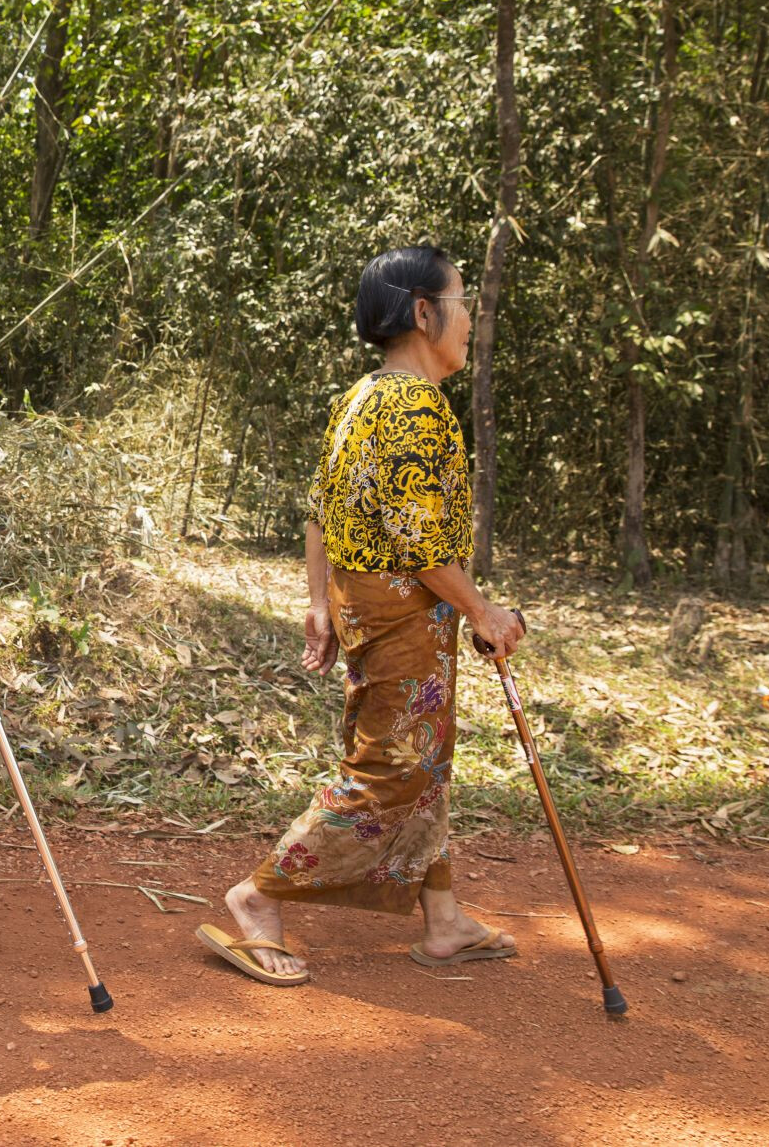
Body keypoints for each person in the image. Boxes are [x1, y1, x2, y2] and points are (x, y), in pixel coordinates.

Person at [198, 245, 526, 987]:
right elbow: (417, 541)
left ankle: (442, 920)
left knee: (425, 763)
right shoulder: (415, 406)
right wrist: (484, 610)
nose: (470, 318)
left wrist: (318, 603)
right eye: (461, 300)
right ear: (422, 311)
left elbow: (320, 509)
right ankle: (259, 892)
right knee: (390, 770)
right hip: (406, 611)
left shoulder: (361, 398)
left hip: (369, 607)